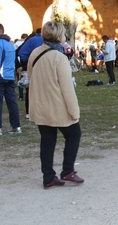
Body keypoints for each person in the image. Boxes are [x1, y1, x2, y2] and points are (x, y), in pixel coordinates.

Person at [28, 21, 83, 189]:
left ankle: (48, 176)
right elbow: (67, 87)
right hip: (57, 105)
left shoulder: (35, 53)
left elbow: (31, 76)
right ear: (60, 36)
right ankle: (67, 170)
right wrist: (74, 110)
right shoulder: (59, 57)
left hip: (40, 104)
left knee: (47, 141)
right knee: (74, 134)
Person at [0, 23, 22, 135]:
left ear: (0, 31)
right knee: (12, 102)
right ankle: (16, 127)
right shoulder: (11, 44)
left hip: (0, 76)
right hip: (9, 76)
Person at [18, 28, 44, 119]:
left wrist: (27, 62)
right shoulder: (49, 40)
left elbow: (21, 53)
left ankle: (29, 112)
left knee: (30, 89)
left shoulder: (31, 40)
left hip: (33, 67)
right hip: (46, 68)